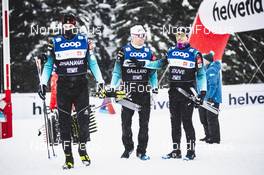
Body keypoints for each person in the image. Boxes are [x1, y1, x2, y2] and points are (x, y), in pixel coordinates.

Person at [38, 13, 104, 169]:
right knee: (64, 122)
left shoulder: (84, 41)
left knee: (83, 120)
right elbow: (48, 66)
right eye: (65, 26)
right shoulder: (54, 42)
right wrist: (42, 83)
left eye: (71, 26)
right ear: (62, 27)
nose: (67, 29)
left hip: (81, 85)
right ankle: (68, 156)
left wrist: (100, 81)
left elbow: (92, 63)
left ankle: (82, 148)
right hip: (63, 86)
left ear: (75, 27)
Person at [144, 28, 207, 160]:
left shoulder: (195, 54)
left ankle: (191, 151)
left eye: (182, 35)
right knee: (175, 122)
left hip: (187, 92)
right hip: (173, 92)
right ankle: (176, 150)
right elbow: (160, 64)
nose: (179, 38)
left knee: (187, 122)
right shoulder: (171, 51)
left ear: (187, 37)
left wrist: (202, 93)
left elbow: (201, 75)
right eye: (177, 35)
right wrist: (143, 64)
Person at [110, 25, 158, 160]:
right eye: (139, 35)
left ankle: (141, 151)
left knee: (144, 124)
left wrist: (155, 86)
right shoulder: (123, 51)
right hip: (127, 92)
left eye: (143, 35)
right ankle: (128, 148)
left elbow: (153, 73)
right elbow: (117, 72)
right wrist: (113, 86)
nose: (142, 38)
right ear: (132, 36)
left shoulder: (149, 52)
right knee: (126, 123)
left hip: (143, 91)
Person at [198, 51, 222, 144]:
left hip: (212, 98)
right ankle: (208, 135)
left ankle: (215, 138)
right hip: (204, 98)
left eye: (204, 59)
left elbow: (213, 85)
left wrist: (210, 97)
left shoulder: (212, 70)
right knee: (203, 117)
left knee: (211, 118)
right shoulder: (206, 68)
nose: (203, 61)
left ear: (208, 60)